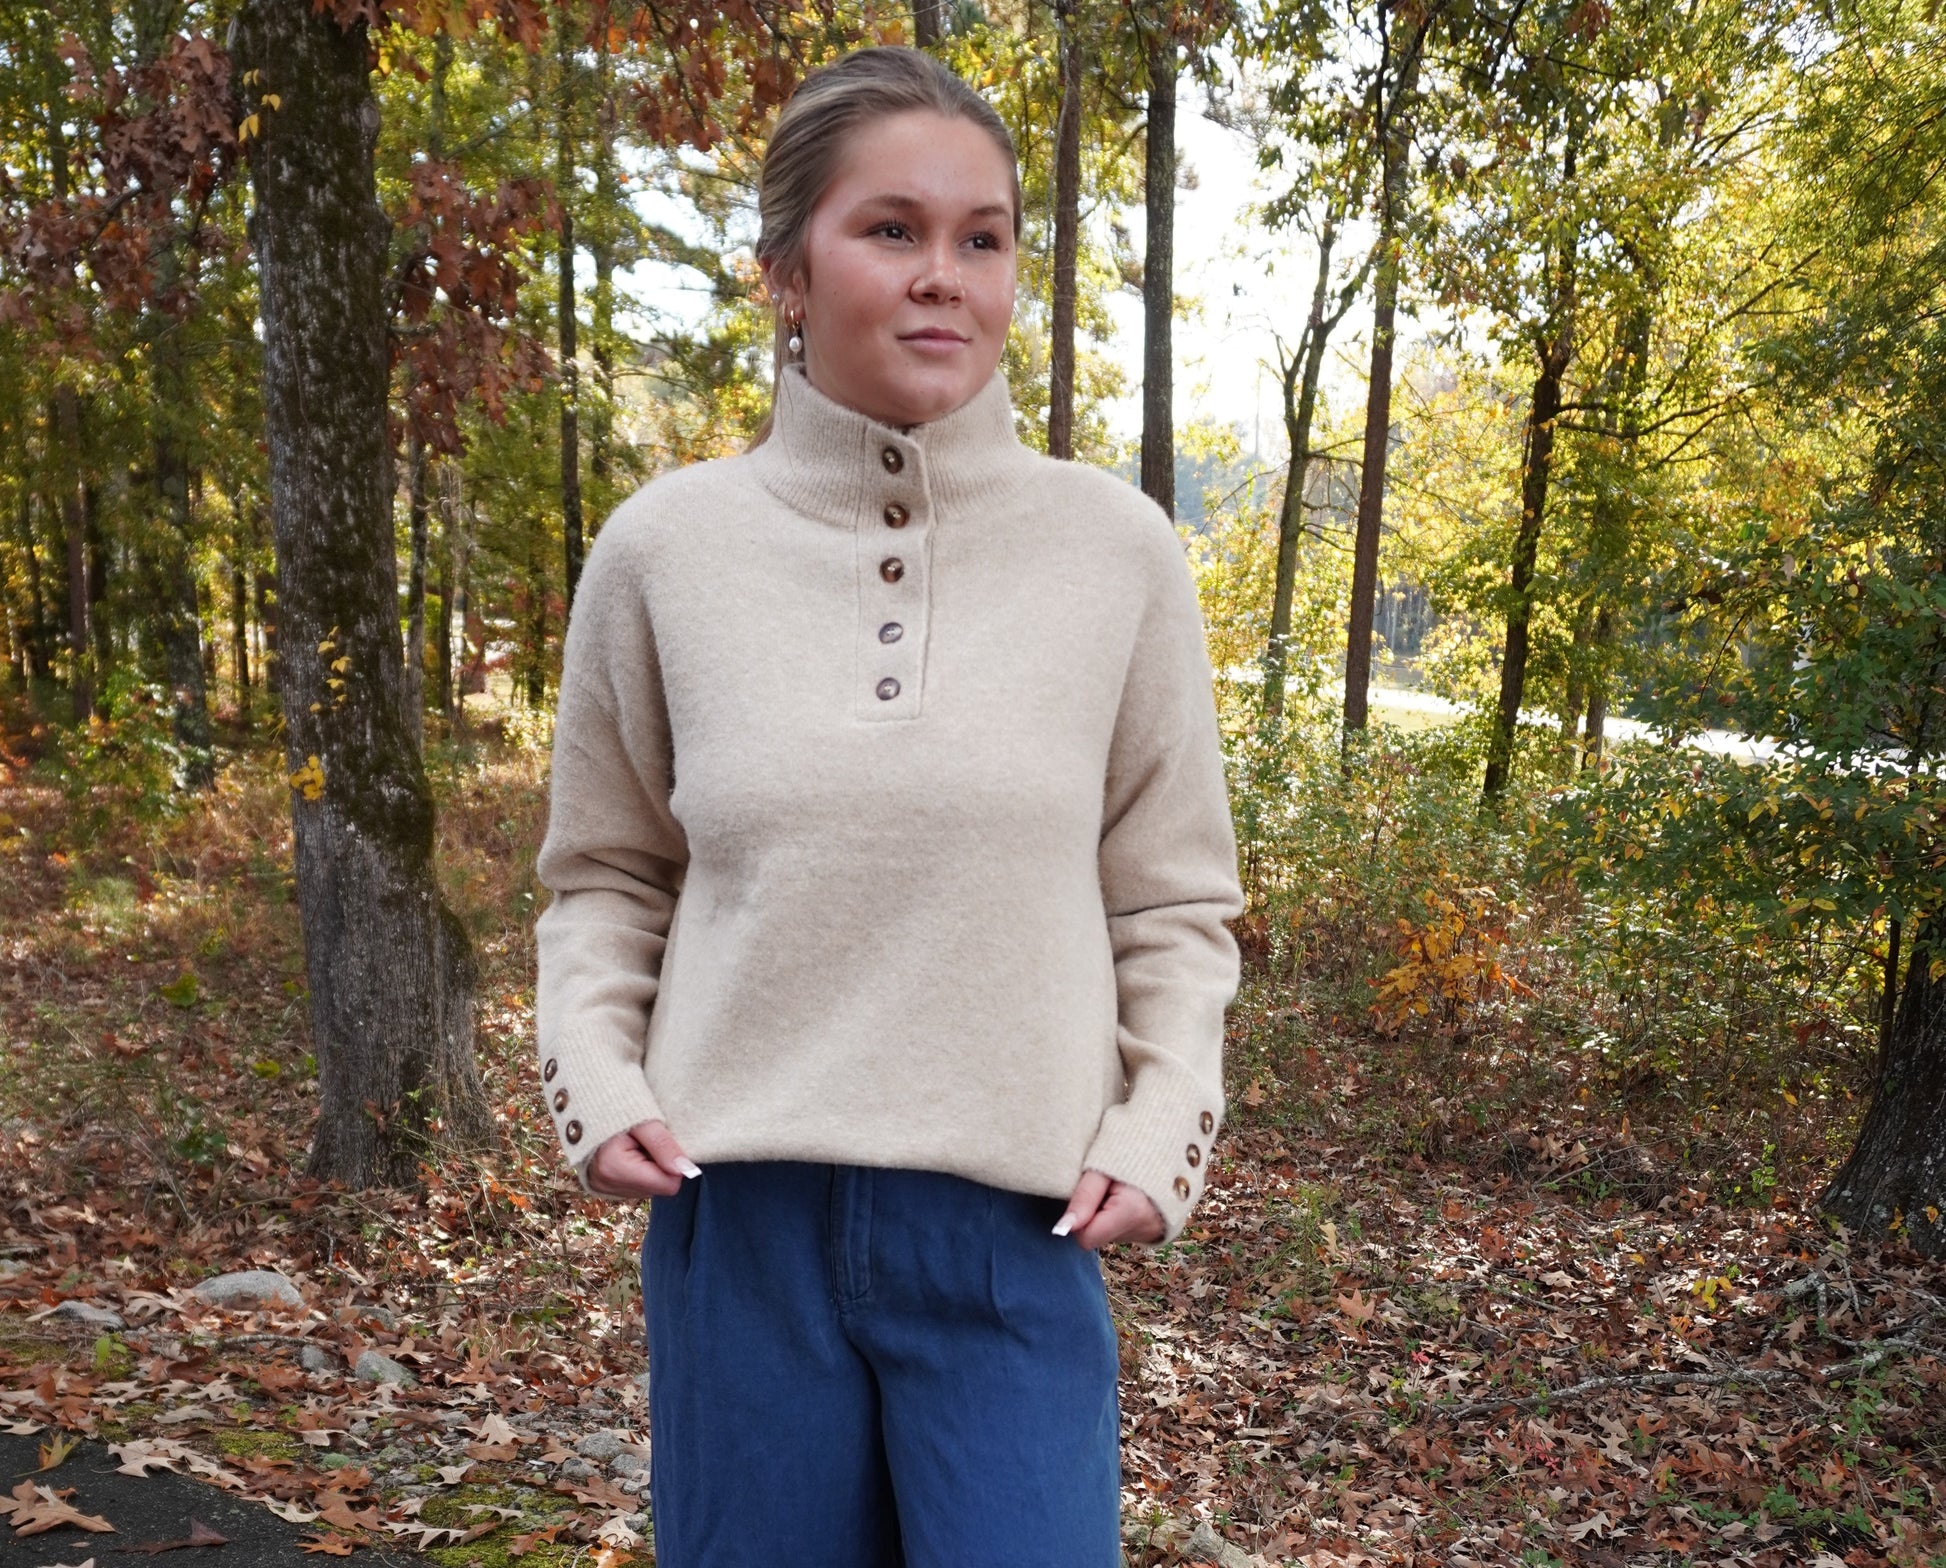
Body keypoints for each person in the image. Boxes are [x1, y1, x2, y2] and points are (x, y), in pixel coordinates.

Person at [532, 43, 1244, 1568]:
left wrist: (1163, 1123)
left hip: (1014, 1236)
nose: (943, 276)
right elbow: (605, 871)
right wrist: (592, 1072)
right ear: (786, 271)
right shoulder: (662, 551)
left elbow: (1175, 901)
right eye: (891, 229)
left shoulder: (1116, 554)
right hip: (738, 1230)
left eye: (981, 239)